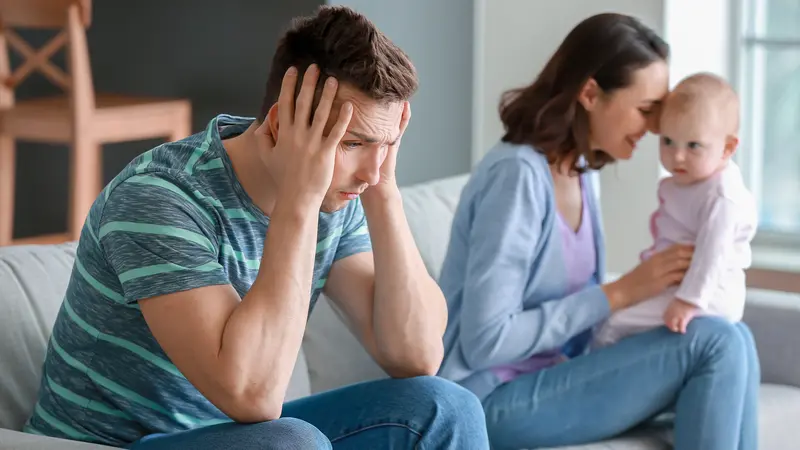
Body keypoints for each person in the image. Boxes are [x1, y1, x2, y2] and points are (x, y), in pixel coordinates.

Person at [23, 6, 489, 449]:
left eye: (386, 144)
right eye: (354, 142)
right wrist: (299, 200)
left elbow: (416, 355)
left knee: (446, 407)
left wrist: (384, 190)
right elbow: (253, 395)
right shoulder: (160, 197)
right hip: (110, 445)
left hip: (236, 439)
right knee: (289, 442)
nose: (370, 170)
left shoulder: (343, 193)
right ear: (282, 123)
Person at [436, 13, 759, 450]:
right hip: (490, 399)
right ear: (591, 93)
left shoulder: (583, 171)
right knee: (716, 342)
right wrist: (621, 294)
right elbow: (484, 341)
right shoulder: (517, 176)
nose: (655, 129)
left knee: (733, 333)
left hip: (559, 374)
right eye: (647, 110)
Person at [593, 72, 758, 346]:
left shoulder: (722, 196)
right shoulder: (689, 181)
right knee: (615, 316)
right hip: (681, 285)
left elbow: (712, 254)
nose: (677, 156)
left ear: (728, 148)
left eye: (694, 146)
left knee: (613, 324)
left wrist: (688, 301)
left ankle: (591, 376)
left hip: (709, 293)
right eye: (667, 141)